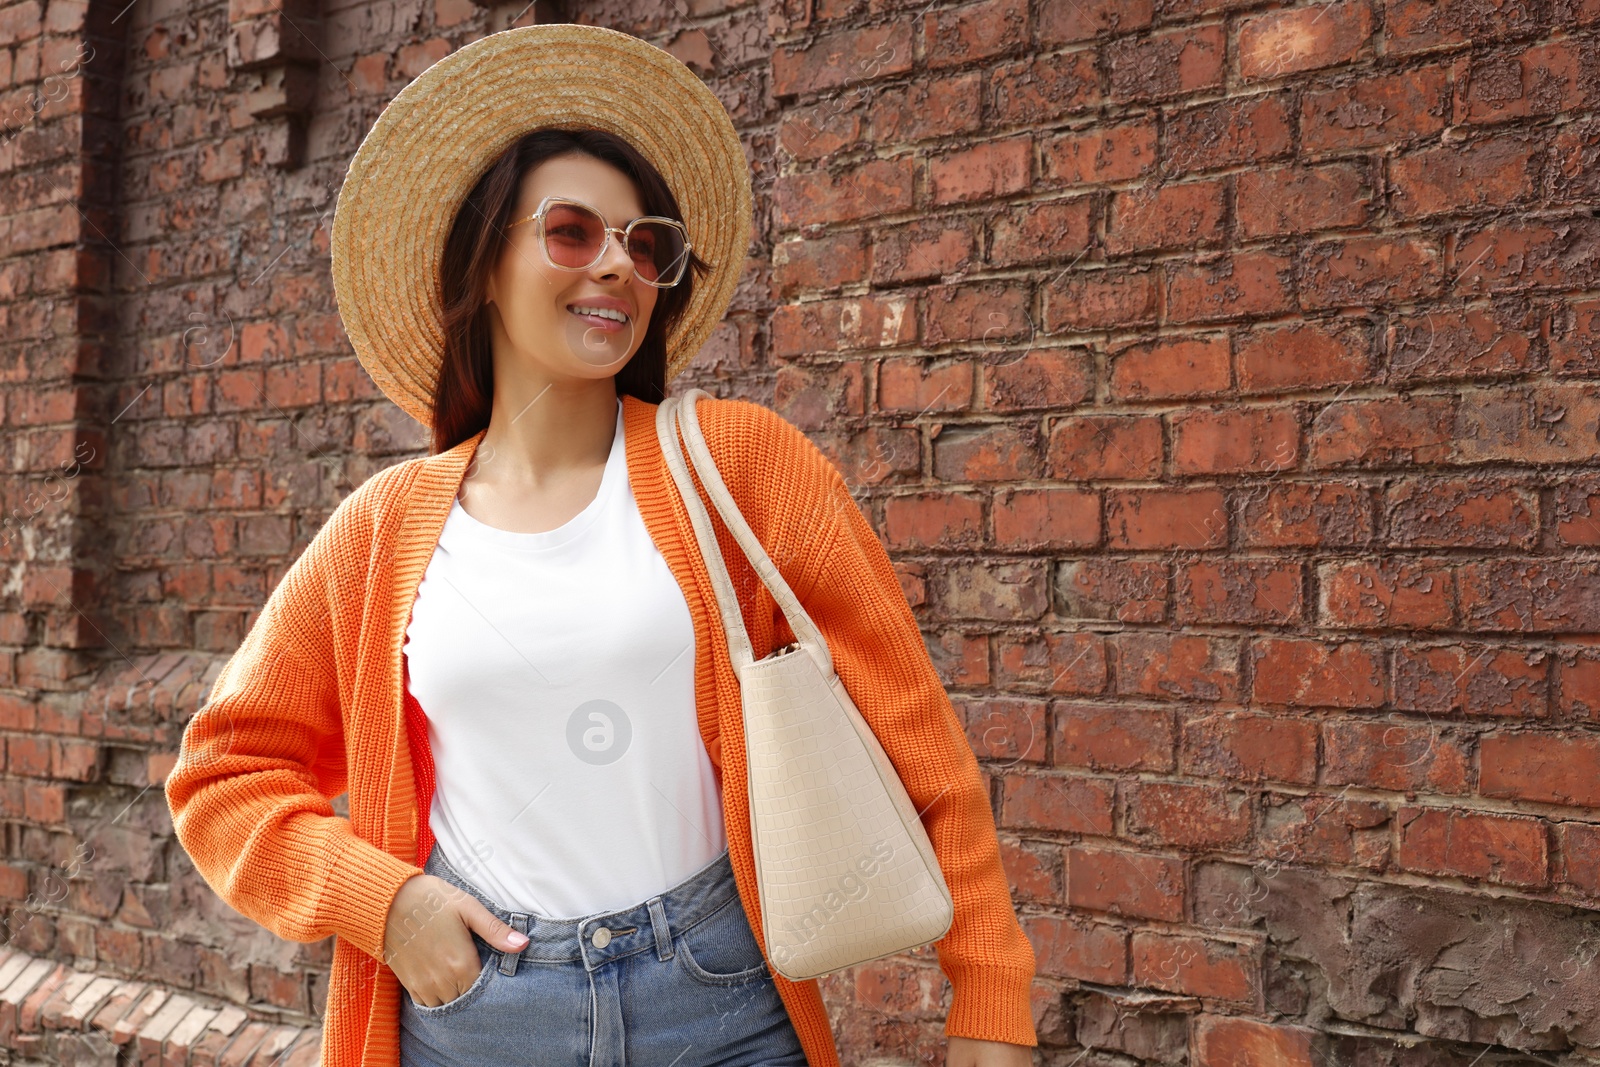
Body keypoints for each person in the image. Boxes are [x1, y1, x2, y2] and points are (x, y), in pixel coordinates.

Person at [165, 22, 1037, 1067]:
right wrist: (385, 903)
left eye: (644, 243)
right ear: (483, 261)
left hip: (719, 1001)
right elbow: (223, 775)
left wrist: (988, 993)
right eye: (573, 232)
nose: (616, 265)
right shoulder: (383, 528)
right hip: (475, 1015)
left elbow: (917, 737)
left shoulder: (739, 466)